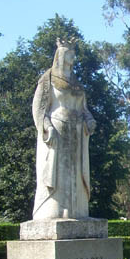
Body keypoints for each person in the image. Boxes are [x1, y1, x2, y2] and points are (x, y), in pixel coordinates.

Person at [32, 38, 95, 219]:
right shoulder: (48, 79)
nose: (72, 56)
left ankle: (77, 213)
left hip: (77, 134)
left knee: (75, 176)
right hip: (57, 133)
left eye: (73, 52)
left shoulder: (76, 82)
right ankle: (54, 212)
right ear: (60, 55)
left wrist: (89, 119)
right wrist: (47, 127)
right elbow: (39, 109)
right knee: (58, 177)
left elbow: (83, 109)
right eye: (68, 52)